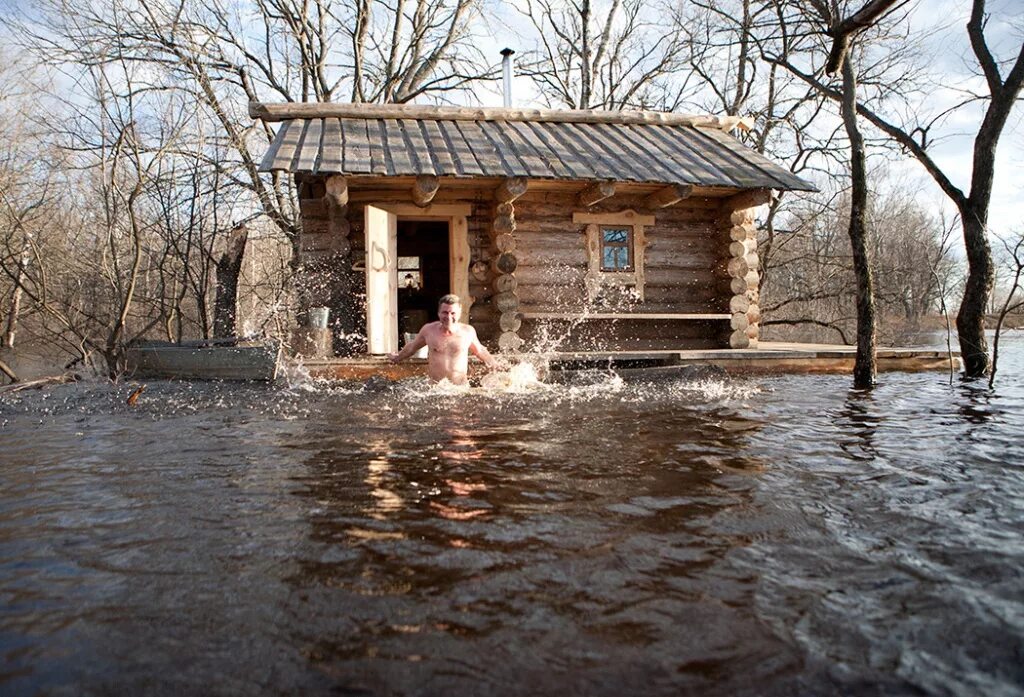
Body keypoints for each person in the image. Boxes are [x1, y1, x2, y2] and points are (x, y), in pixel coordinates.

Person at [388, 294, 500, 384]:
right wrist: (397, 358)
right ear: (438, 313)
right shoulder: (429, 330)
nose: (449, 317)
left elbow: (479, 350)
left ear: (459, 313)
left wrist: (494, 364)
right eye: (445, 313)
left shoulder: (467, 331)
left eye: (453, 313)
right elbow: (412, 347)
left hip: (459, 390)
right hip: (436, 390)